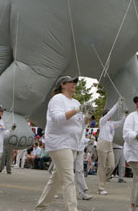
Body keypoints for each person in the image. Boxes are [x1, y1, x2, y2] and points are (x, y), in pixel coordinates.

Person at [35, 76, 94, 211]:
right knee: (69, 178)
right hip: (59, 143)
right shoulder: (57, 99)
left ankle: (40, 207)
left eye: (75, 82)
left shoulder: (75, 101)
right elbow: (57, 119)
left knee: (56, 179)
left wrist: (87, 116)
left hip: (72, 144)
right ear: (63, 85)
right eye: (71, 82)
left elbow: (81, 124)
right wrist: (78, 109)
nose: (74, 84)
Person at [96, 99, 125, 195]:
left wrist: (126, 115)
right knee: (102, 166)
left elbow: (121, 123)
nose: (111, 115)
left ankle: (103, 179)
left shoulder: (111, 124)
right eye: (109, 114)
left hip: (109, 145)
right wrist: (117, 104)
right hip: (102, 144)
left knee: (112, 165)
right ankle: (100, 188)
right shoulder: (102, 121)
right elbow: (109, 113)